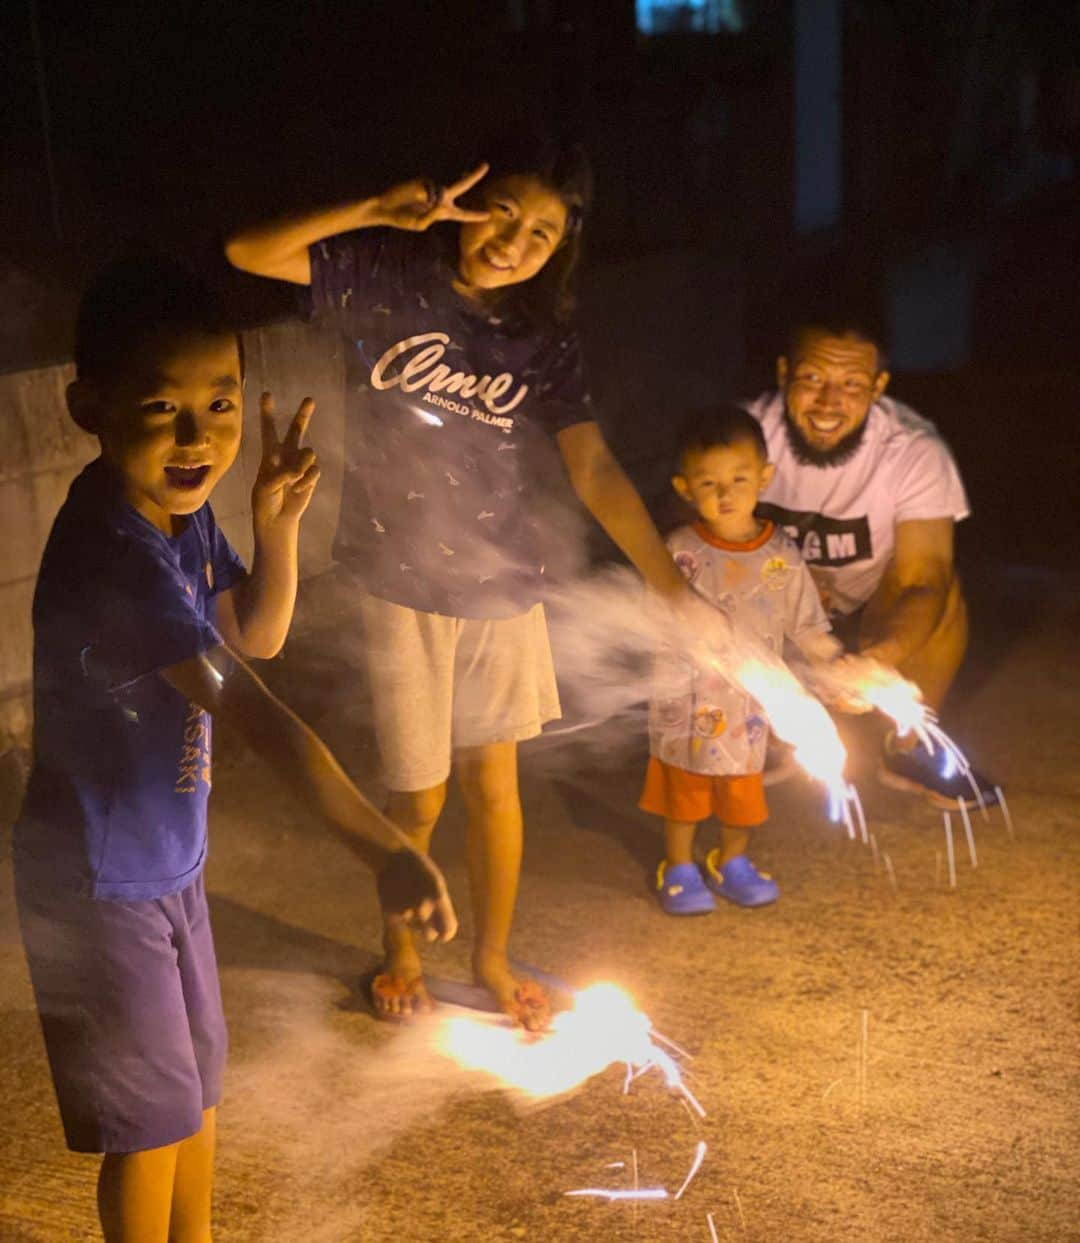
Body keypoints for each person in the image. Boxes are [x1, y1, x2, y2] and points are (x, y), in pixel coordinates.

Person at [12, 255, 456, 1243]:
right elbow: (253, 708)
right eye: (162, 406)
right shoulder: (112, 556)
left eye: (219, 403)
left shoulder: (184, 516)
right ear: (89, 404)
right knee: (149, 1124)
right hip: (96, 878)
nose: (196, 435)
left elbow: (256, 631)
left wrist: (275, 526)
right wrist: (383, 845)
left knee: (196, 1094)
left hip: (168, 864)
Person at [225, 141, 715, 1024]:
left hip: (505, 583)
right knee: (419, 791)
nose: (516, 241)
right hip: (400, 583)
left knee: (497, 785)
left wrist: (665, 584)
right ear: (470, 196)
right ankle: (402, 950)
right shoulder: (381, 275)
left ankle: (490, 957)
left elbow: (593, 466)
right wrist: (377, 205)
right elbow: (246, 253)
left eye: (543, 234)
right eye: (506, 212)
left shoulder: (538, 333)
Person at [745, 315, 998, 807]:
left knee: (943, 600)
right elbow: (687, 546)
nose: (828, 403)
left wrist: (874, 664)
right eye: (813, 379)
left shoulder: (913, 450)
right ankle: (762, 733)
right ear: (783, 374)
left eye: (851, 384)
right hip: (774, 607)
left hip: (870, 607)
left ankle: (908, 748)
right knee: (710, 590)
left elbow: (926, 577)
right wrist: (778, 574)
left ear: (879, 386)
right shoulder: (744, 432)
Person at [641, 405, 845, 913]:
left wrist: (837, 664)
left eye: (738, 479)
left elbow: (805, 621)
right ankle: (680, 866)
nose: (726, 493)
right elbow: (650, 615)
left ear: (764, 478)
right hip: (685, 706)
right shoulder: (679, 550)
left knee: (742, 797)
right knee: (683, 794)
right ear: (685, 488)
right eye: (708, 484)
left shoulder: (780, 552)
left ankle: (729, 862)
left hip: (748, 710)